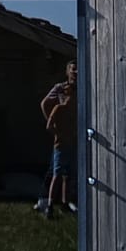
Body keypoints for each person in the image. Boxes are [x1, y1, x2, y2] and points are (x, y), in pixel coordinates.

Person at [34, 64, 77, 217]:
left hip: (71, 135)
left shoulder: (82, 86)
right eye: (73, 69)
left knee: (66, 172)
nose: (75, 72)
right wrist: (55, 127)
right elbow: (45, 104)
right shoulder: (60, 89)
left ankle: (65, 202)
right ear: (67, 71)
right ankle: (45, 201)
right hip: (61, 137)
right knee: (55, 171)